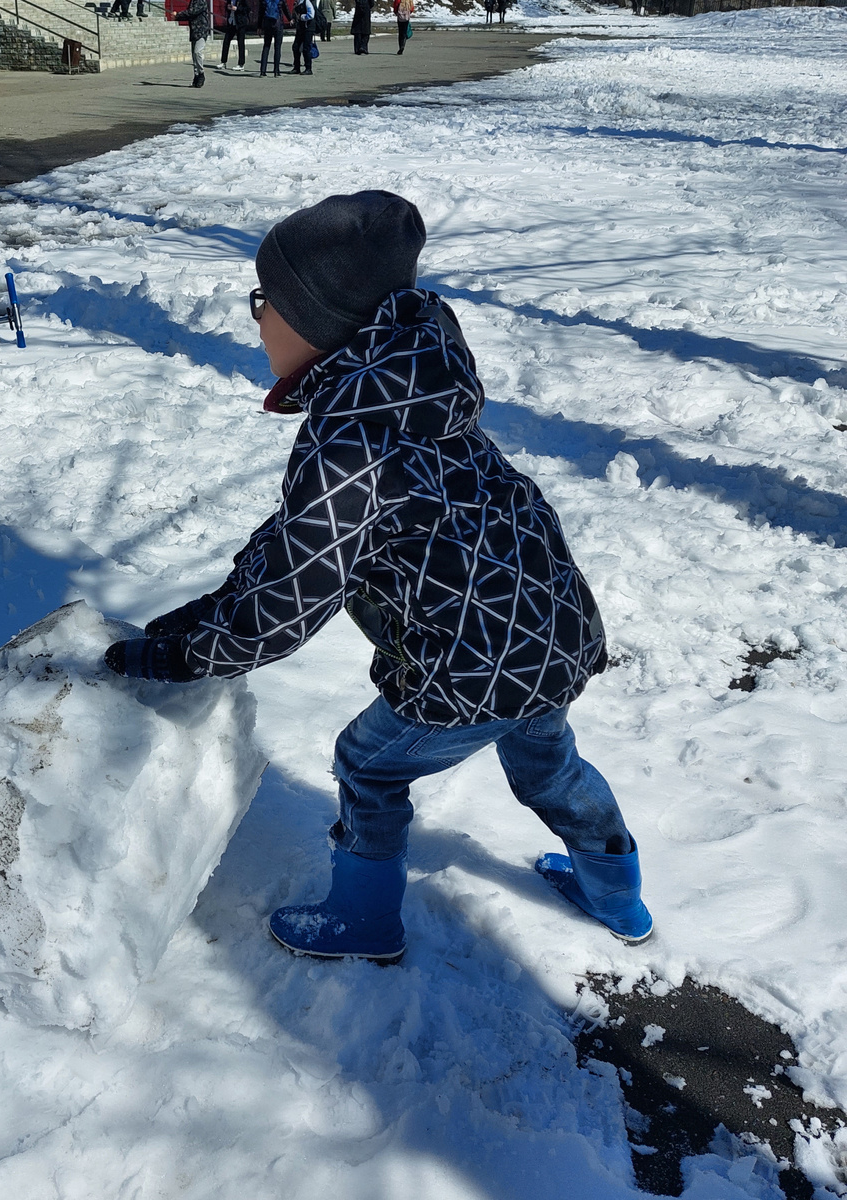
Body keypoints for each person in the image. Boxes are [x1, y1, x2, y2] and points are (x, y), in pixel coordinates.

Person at [105, 190, 653, 962]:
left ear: (315, 320)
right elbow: (300, 544)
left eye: (265, 301)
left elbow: (289, 598)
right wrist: (207, 609)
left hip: (470, 666)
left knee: (367, 763)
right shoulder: (414, 390)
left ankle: (365, 919)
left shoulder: (352, 441)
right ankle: (618, 896)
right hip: (550, 633)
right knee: (550, 765)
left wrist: (177, 656)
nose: (256, 319)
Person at [176, 0, 211, 86]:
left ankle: (201, 73)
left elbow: (192, 12)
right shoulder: (193, 1)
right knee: (194, 56)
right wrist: (178, 17)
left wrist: (178, 15)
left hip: (201, 30)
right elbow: (189, 15)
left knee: (197, 52)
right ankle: (196, 75)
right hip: (194, 30)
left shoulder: (200, 1)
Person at [258, 0, 291, 76]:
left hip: (267, 24)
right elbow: (285, 8)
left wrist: (259, 26)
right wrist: (290, 19)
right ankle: (276, 71)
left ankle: (263, 71)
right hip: (278, 24)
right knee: (277, 47)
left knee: (266, 46)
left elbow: (261, 12)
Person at [220, 0, 248, 70]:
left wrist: (237, 9)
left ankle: (241, 64)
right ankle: (223, 62)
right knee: (226, 41)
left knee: (240, 43)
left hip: (240, 23)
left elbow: (247, 9)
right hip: (231, 22)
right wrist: (228, 7)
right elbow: (226, 7)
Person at [289, 0, 315, 73]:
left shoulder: (307, 2)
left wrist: (301, 17)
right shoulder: (297, 3)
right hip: (300, 28)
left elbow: (311, 14)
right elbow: (296, 14)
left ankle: (308, 68)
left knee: (306, 48)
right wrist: (294, 19)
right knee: (295, 47)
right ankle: (296, 68)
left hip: (308, 28)